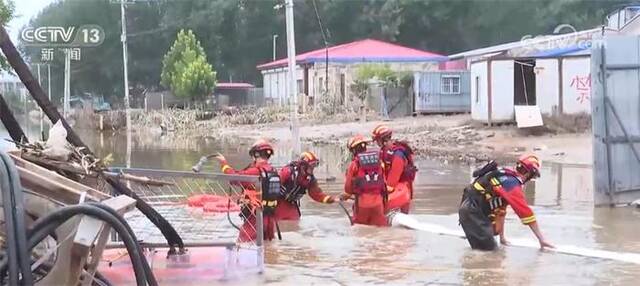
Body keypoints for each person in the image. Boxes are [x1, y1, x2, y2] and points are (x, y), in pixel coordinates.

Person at [458, 154, 554, 251]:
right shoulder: (512, 184)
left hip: (470, 209)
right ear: (529, 174)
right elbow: (526, 213)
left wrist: (502, 238)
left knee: (486, 249)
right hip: (473, 212)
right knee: (489, 254)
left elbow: (500, 210)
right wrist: (541, 239)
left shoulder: (504, 175)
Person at [215, 139, 280, 242]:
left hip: (255, 217)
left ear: (256, 154)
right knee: (267, 246)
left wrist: (224, 164)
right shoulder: (273, 170)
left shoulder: (256, 171)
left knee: (242, 245)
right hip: (269, 218)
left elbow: (233, 177)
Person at [339, 135, 388, 227]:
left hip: (362, 204)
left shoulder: (354, 164)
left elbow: (348, 189)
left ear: (353, 150)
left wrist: (345, 195)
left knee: (360, 230)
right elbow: (384, 182)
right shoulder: (379, 161)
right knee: (381, 229)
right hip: (378, 203)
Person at [276, 151, 336, 220]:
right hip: (278, 203)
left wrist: (332, 199)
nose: (312, 169)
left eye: (314, 166)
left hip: (291, 205)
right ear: (303, 166)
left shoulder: (310, 179)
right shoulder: (288, 172)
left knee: (295, 223)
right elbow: (273, 185)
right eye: (311, 166)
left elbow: (317, 194)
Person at [371, 125, 417, 214]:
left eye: (377, 140)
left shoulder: (398, 155)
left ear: (383, 140)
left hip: (402, 190)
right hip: (393, 187)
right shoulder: (383, 152)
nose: (376, 143)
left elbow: (391, 182)